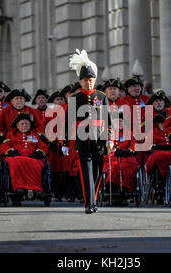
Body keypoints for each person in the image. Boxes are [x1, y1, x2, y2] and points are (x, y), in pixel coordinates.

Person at [66, 49, 110, 214]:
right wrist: (65, 142)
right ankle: (89, 204)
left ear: (95, 80)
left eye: (91, 80)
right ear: (80, 81)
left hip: (99, 140)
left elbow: (108, 121)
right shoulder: (75, 99)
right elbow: (67, 122)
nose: (88, 83)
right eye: (85, 80)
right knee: (86, 174)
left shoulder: (102, 96)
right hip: (83, 139)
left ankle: (94, 199)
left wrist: (110, 138)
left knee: (98, 173)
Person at [0, 113, 49, 206]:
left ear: (30, 125)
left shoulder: (35, 135)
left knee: (36, 164)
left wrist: (39, 152)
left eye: (27, 124)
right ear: (17, 126)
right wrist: (10, 151)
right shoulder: (11, 134)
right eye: (22, 124)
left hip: (33, 157)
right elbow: (4, 145)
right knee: (16, 163)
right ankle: (19, 187)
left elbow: (44, 146)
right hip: (15, 156)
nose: (24, 125)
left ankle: (36, 188)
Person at [103, 113, 138, 206]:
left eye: (120, 121)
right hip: (112, 158)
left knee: (126, 167)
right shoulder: (108, 134)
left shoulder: (129, 134)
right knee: (113, 167)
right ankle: (112, 191)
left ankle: (125, 192)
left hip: (126, 157)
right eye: (116, 121)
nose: (118, 123)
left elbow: (133, 147)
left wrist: (126, 152)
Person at [145, 114, 171, 204]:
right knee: (156, 156)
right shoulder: (152, 132)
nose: (163, 125)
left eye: (164, 123)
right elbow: (148, 146)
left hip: (169, 156)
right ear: (158, 124)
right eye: (161, 123)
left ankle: (165, 179)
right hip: (157, 155)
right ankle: (155, 178)